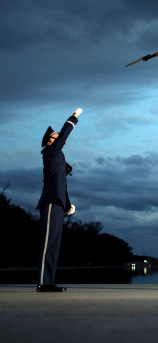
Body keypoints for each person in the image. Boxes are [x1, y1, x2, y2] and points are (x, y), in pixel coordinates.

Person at [36, 108, 82, 292]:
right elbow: (64, 135)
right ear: (50, 140)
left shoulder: (58, 157)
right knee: (48, 243)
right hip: (50, 201)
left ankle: (48, 282)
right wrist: (74, 117)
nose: (58, 137)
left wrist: (68, 204)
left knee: (53, 244)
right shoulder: (50, 151)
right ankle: (42, 283)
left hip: (58, 202)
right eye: (54, 135)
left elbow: (61, 183)